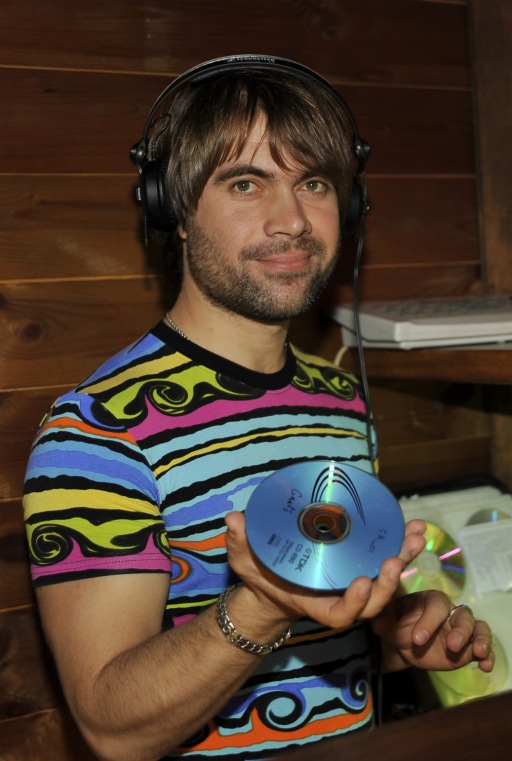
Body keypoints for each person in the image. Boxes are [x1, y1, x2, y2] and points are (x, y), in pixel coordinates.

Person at [23, 56, 494, 761]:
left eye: (314, 183)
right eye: (246, 182)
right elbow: (112, 727)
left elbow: (330, 646)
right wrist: (262, 606)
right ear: (174, 212)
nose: (292, 219)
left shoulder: (341, 399)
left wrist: (399, 637)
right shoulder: (96, 431)